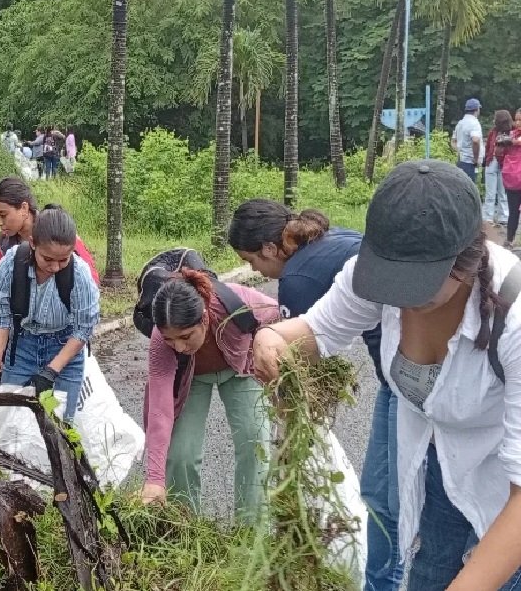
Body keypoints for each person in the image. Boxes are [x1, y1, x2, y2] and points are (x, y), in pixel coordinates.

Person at [251, 160, 521, 591]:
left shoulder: (515, 316)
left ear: (467, 260)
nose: (401, 300)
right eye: (391, 281)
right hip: (444, 469)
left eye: (417, 288)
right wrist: (269, 338)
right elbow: (314, 331)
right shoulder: (373, 275)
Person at [226, 198, 397, 586]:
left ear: (270, 249)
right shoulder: (332, 238)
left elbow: (299, 365)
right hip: (407, 360)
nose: (256, 270)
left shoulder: (298, 278)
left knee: (386, 504)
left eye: (253, 262)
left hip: (407, 369)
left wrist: (290, 436)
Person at [140, 268, 278, 523]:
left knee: (255, 443)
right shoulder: (161, 339)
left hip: (241, 369)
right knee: (180, 454)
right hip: (191, 378)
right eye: (171, 340)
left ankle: (252, 533)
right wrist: (154, 479)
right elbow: (160, 407)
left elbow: (285, 317)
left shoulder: (239, 303)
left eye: (185, 336)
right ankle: (185, 529)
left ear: (203, 319)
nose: (179, 347)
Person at [0, 206, 99, 420]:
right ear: (33, 244)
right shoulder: (11, 264)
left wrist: (52, 370)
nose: (56, 267)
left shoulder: (80, 274)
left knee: (61, 424)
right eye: (48, 259)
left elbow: (83, 330)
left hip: (64, 345)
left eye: (63, 259)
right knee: (9, 421)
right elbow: (2, 317)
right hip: (22, 346)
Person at [0, 177, 100, 281]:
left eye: (3, 215)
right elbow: (0, 280)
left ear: (24, 208)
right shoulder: (3, 243)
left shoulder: (56, 229)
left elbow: (91, 280)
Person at [484, 110, 511, 225]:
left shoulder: (511, 133)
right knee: (490, 192)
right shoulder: (493, 132)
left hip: (503, 163)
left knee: (502, 192)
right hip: (492, 162)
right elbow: (487, 146)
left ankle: (503, 217)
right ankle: (488, 217)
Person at [453, 98, 483, 182]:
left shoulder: (460, 123)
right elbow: (475, 140)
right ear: (477, 109)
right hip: (470, 162)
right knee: (470, 188)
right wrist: (476, 159)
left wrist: (460, 151)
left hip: (461, 161)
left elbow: (453, 141)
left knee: (461, 187)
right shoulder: (474, 123)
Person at [503, 110, 521, 248]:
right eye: (516, 120)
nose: (517, 123)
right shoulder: (511, 136)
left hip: (513, 178)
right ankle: (509, 239)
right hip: (513, 180)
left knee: (514, 211)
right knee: (513, 211)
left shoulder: (510, 138)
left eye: (520, 120)